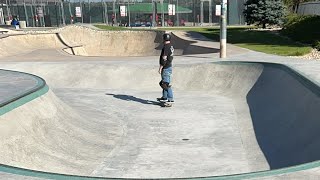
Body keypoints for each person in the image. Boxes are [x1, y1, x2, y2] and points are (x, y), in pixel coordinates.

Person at [157, 33, 174, 103]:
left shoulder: (166, 47)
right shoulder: (171, 46)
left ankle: (170, 98)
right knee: (164, 82)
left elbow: (164, 58)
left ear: (164, 39)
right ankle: (164, 97)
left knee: (164, 84)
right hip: (169, 66)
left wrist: (160, 67)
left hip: (166, 67)